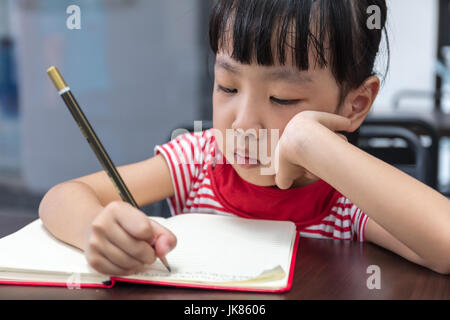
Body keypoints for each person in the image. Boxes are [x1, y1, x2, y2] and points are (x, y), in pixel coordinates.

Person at [39, 0, 450, 276]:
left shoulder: (346, 197)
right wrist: (98, 229)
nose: (243, 124)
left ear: (355, 104)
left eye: (282, 97)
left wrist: (312, 143)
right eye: (228, 87)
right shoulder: (199, 160)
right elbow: (61, 198)